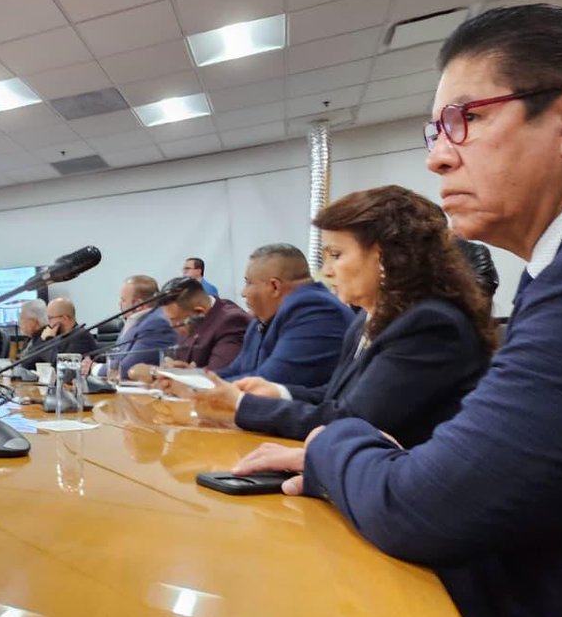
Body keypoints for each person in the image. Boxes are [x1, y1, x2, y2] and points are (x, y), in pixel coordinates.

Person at [233, 5, 562, 617]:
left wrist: (332, 446)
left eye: (464, 120)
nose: (437, 158)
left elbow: (426, 506)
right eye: (433, 132)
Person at [191, 187, 494, 447]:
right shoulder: (366, 320)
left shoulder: (429, 325)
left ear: (386, 256)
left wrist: (243, 406)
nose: (326, 271)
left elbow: (353, 421)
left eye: (336, 255)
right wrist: (277, 392)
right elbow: (336, 398)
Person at [215, 244, 354, 386]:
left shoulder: (317, 311)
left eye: (249, 283)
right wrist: (198, 383)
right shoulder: (261, 321)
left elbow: (269, 382)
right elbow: (235, 370)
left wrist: (205, 392)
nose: (243, 293)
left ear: (275, 286)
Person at [157, 277, 250, 371]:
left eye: (175, 320)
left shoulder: (232, 322)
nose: (172, 326)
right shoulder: (188, 318)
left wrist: (188, 373)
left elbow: (220, 374)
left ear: (199, 312)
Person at [98, 275, 175, 379]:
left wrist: (94, 368)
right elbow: (115, 357)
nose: (119, 304)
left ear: (137, 304)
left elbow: (127, 369)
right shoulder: (136, 320)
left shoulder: (156, 323)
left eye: (123, 300)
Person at [39, 297, 97, 362]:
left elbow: (61, 364)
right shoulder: (61, 336)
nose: (48, 322)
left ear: (65, 318)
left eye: (50, 318)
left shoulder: (80, 336)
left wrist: (48, 340)